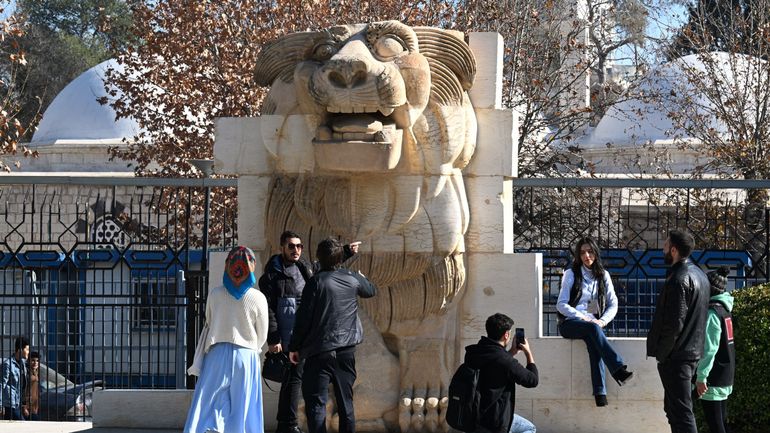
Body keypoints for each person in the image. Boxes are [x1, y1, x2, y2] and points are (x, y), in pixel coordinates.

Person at [288, 237, 376, 433]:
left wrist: (294, 347)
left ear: (319, 257)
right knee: (346, 403)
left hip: (319, 351)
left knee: (316, 404)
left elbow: (303, 319)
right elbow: (370, 291)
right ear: (339, 258)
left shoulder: (316, 282)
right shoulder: (352, 278)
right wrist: (362, 277)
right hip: (346, 351)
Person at [184, 246, 269, 433]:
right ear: (251, 266)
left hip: (217, 352)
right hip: (246, 354)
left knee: (209, 400)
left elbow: (210, 319)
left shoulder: (215, 294)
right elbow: (262, 334)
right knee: (244, 405)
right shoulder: (258, 298)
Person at [556, 237, 633, 407]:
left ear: (596, 253)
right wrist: (583, 317)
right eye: (582, 252)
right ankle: (618, 369)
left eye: (590, 251)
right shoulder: (571, 273)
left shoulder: (603, 275)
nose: (586, 256)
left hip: (593, 326)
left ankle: (600, 393)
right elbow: (561, 304)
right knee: (592, 329)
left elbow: (613, 303)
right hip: (570, 323)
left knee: (594, 342)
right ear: (578, 255)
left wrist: (603, 321)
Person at [647, 230, 710, 433]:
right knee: (673, 409)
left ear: (673, 250)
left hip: (678, 357)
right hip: (689, 354)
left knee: (682, 413)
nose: (663, 249)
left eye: (665, 245)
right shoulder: (700, 275)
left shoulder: (679, 279)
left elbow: (674, 323)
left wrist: (663, 354)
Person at [259, 230, 314, 433]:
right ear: (282, 247)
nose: (296, 250)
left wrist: (345, 252)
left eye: (299, 246)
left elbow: (324, 265)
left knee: (293, 380)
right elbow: (268, 310)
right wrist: (273, 339)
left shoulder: (305, 268)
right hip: (287, 337)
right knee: (293, 380)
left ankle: (285, 423)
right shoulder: (272, 275)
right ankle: (288, 424)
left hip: (304, 335)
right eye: (291, 246)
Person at [463, 313, 538, 433]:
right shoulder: (506, 361)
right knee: (529, 428)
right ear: (506, 335)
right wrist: (528, 353)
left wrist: (512, 352)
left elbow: (494, 363)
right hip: (495, 420)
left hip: (473, 415)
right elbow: (532, 380)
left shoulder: (474, 352)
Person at [695, 267, 735, 433]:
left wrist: (701, 377)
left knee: (716, 426)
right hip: (725, 375)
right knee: (720, 423)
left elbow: (709, 349)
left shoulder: (712, 313)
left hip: (713, 379)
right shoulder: (725, 309)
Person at [1, 336, 29, 420]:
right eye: (27, 349)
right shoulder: (8, 364)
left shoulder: (22, 363)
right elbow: (1, 384)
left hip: (17, 402)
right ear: (20, 349)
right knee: (22, 424)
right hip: (10, 403)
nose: (28, 352)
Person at [22, 351, 40, 421]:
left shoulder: (36, 372)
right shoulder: (26, 372)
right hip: (27, 405)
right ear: (28, 361)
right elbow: (22, 389)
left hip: (35, 405)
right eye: (33, 360)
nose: (35, 363)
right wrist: (24, 407)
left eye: (37, 361)